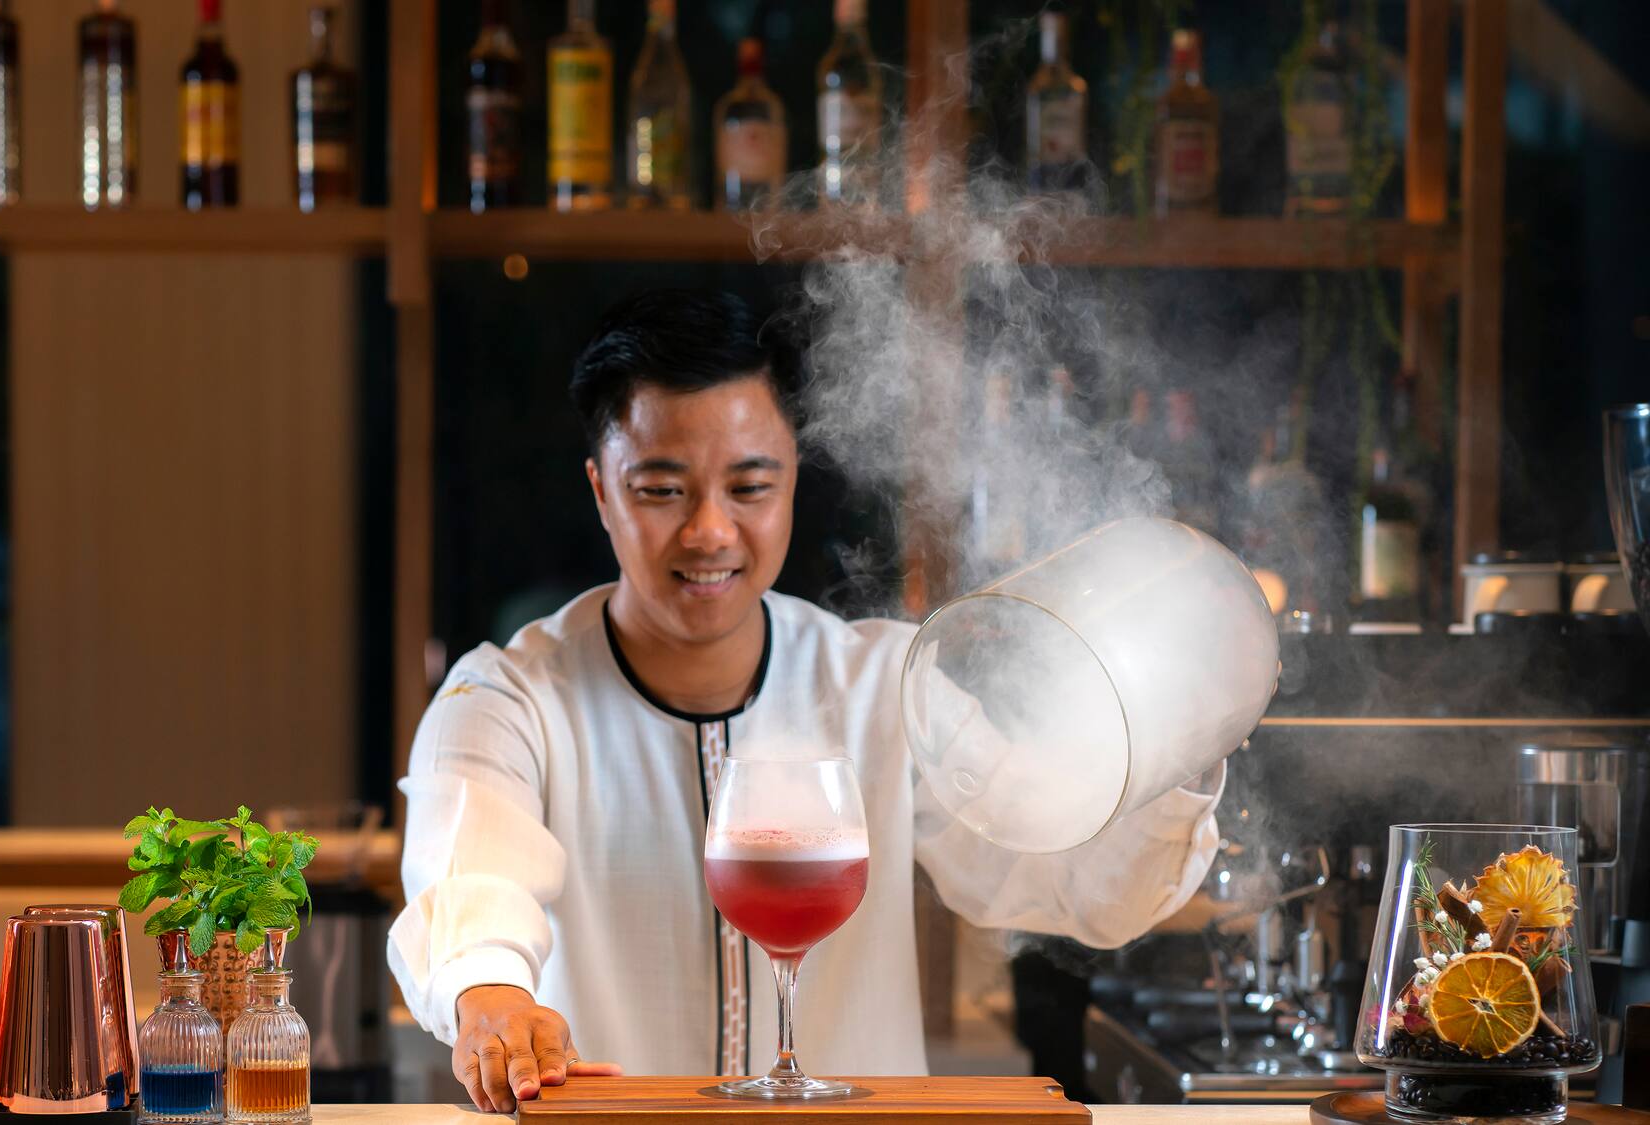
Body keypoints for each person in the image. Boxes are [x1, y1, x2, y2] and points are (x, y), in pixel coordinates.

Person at [386, 290, 1224, 1113]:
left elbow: (1072, 881)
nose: (710, 531)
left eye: (749, 488)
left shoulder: (884, 686)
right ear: (602, 489)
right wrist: (491, 997)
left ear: (791, 481)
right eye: (661, 489)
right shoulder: (509, 696)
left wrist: (1179, 743)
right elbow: (468, 874)